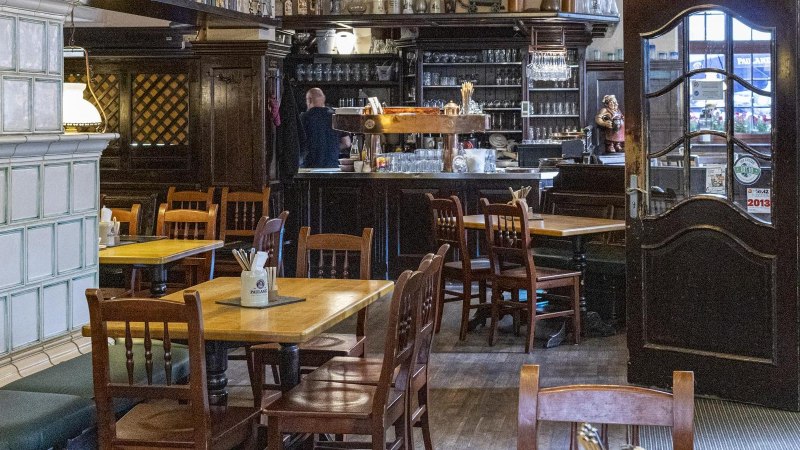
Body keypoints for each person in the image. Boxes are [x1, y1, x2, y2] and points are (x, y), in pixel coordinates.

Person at [300, 88, 351, 168]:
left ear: (309, 100)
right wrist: (332, 147)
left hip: (309, 167)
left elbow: (296, 143)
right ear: (323, 98)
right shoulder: (337, 117)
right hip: (332, 166)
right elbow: (347, 143)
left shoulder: (303, 117)